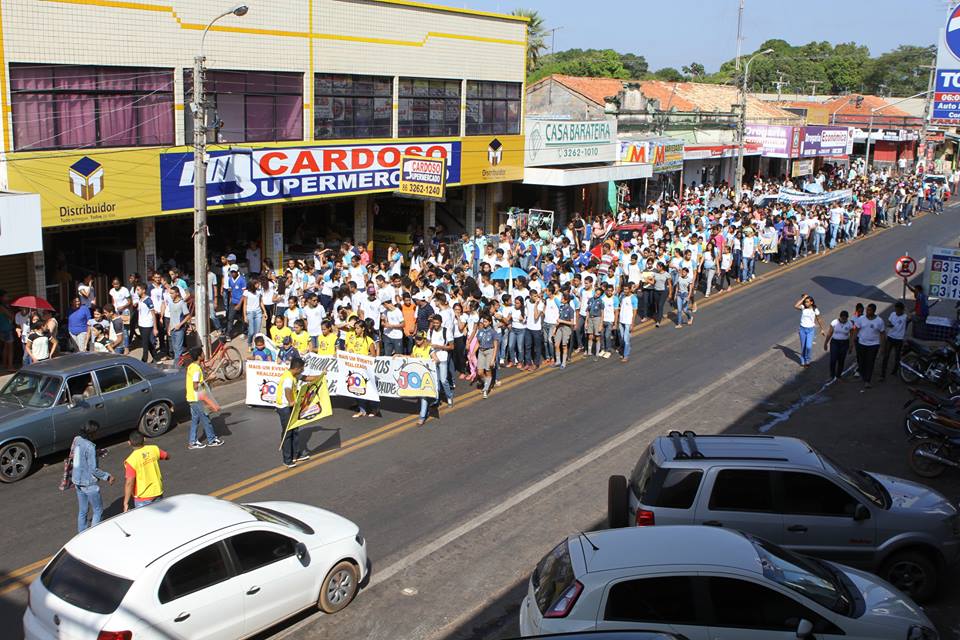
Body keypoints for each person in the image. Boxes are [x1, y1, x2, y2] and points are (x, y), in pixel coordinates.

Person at [70, 421, 114, 532]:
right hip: (88, 483)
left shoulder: (77, 439)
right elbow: (93, 470)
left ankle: (82, 533)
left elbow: (75, 454)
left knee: (83, 510)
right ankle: (93, 534)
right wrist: (107, 476)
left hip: (77, 480)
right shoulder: (90, 446)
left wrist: (95, 453)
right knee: (98, 510)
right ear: (92, 433)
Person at [276, 356, 312, 468]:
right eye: (302, 368)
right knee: (288, 433)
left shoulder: (294, 375)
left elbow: (305, 378)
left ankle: (296, 454)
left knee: (295, 430)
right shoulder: (288, 378)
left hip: (292, 406)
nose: (303, 370)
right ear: (297, 368)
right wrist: (291, 401)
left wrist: (320, 376)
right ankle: (287, 459)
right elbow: (287, 390)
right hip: (285, 407)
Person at [186, 347, 223, 449]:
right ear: (199, 356)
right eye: (202, 353)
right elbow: (196, 386)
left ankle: (192, 441)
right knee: (206, 419)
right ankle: (211, 439)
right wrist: (209, 379)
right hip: (197, 398)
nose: (204, 354)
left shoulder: (191, 366)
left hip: (191, 398)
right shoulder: (196, 369)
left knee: (195, 420)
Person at [123, 431, 169, 511]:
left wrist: (126, 502)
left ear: (129, 443)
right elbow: (166, 456)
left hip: (143, 498)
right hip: (157, 491)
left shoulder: (131, 460)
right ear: (144, 439)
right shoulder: (154, 449)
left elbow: (129, 483)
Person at [852, 303, 886, 391]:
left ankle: (868, 380)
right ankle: (863, 374)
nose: (867, 311)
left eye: (869, 310)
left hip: (873, 345)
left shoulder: (879, 321)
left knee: (870, 362)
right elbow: (856, 331)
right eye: (867, 310)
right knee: (861, 361)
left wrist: (882, 347)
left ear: (874, 311)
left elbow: (882, 334)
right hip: (861, 344)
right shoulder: (861, 319)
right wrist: (852, 342)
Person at [794, 294, 824, 367]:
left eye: (807, 302)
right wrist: (804, 298)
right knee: (803, 346)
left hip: (810, 330)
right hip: (802, 329)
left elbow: (819, 319)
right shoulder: (803, 307)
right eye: (805, 302)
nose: (806, 303)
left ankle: (808, 359)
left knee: (808, 346)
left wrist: (822, 329)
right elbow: (796, 306)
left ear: (811, 302)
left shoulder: (815, 309)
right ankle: (803, 361)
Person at [823, 309, 853, 382]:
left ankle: (838, 375)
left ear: (847, 318)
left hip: (844, 343)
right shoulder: (834, 323)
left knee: (841, 360)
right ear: (840, 317)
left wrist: (851, 346)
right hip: (835, 343)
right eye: (842, 318)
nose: (844, 320)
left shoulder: (849, 324)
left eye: (845, 319)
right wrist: (825, 343)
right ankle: (832, 375)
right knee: (833, 359)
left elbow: (852, 335)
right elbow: (829, 333)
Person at [881, 301, 908, 382]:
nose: (897, 312)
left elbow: (910, 316)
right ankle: (883, 373)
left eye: (899, 310)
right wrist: (890, 325)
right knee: (886, 355)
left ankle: (895, 371)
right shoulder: (892, 314)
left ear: (902, 310)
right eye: (896, 310)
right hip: (890, 337)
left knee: (897, 356)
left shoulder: (905, 317)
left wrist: (906, 309)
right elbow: (889, 321)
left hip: (899, 339)